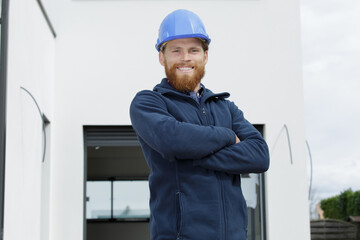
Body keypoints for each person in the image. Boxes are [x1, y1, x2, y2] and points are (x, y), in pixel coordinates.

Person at [130, 9, 270, 240]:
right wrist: (227, 136)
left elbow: (259, 155)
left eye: (193, 50)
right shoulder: (148, 102)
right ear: (161, 57)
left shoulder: (226, 107)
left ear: (205, 56)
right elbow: (172, 140)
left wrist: (189, 153)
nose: (185, 58)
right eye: (176, 50)